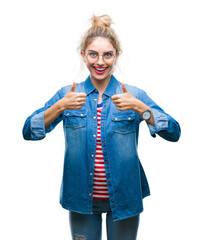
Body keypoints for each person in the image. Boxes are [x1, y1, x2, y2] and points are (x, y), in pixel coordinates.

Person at [22, 14, 181, 240]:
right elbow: (28, 131)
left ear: (117, 56)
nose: (100, 62)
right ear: (83, 55)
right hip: (80, 198)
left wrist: (142, 109)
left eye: (107, 55)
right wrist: (59, 107)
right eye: (93, 54)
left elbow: (174, 132)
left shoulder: (134, 95)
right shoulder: (67, 95)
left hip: (124, 196)